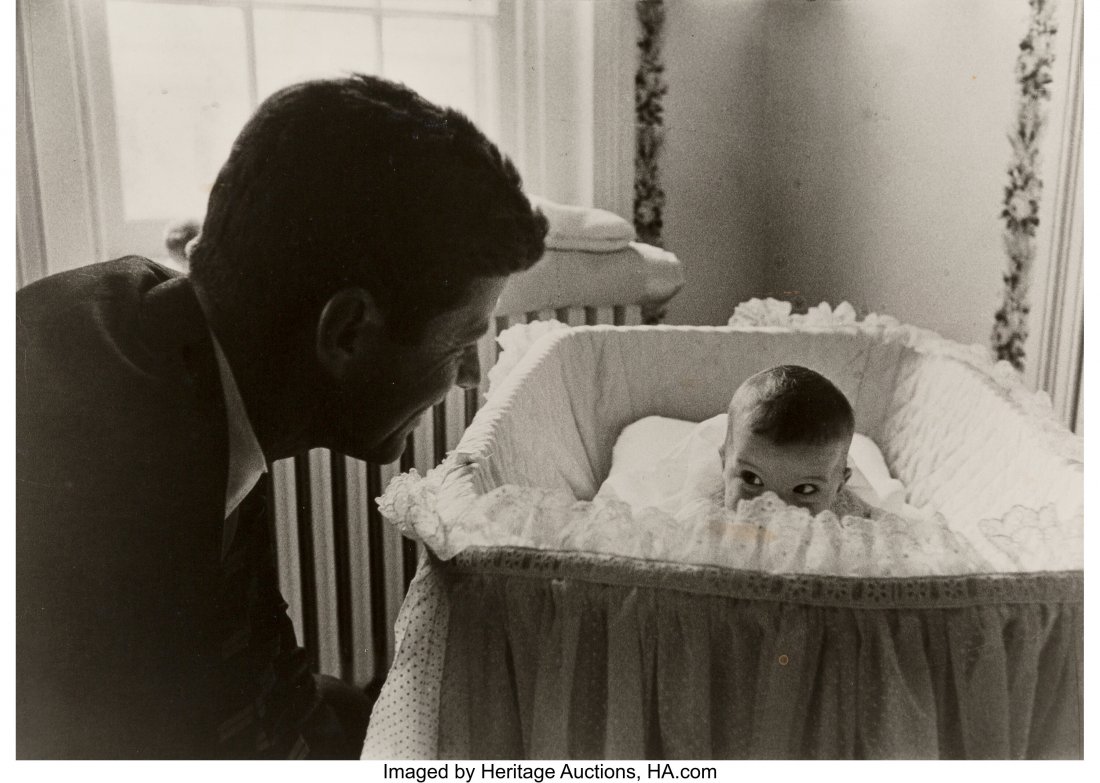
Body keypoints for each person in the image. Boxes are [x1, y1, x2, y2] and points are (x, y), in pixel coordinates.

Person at [16, 74, 548, 759]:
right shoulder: (117, 486)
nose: (472, 375)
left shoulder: (209, 363)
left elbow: (268, 682)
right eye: (460, 343)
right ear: (348, 331)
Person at [721, 365, 870, 517]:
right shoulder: (705, 506)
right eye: (751, 478)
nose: (773, 509)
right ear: (724, 465)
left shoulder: (851, 521)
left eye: (805, 489)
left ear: (839, 487)